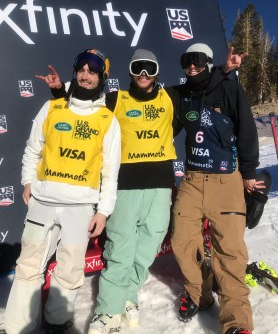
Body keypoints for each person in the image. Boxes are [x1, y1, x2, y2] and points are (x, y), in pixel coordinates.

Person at [41, 47, 243, 334]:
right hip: (126, 186)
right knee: (120, 248)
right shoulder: (116, 98)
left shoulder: (170, 96)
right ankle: (107, 311)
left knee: (148, 247)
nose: (144, 74)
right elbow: (84, 101)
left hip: (160, 187)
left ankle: (127, 297)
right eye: (138, 68)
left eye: (149, 68)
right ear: (131, 72)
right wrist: (61, 90)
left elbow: (200, 83)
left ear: (157, 71)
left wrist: (224, 71)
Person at [4, 49, 121, 334]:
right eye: (81, 69)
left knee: (69, 267)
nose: (86, 75)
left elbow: (110, 171)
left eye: (93, 72)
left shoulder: (108, 119)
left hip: (80, 207)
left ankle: (57, 320)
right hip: (43, 200)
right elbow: (33, 149)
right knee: (29, 262)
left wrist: (104, 211)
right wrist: (28, 181)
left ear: (102, 77)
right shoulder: (52, 107)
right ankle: (19, 326)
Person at [171, 43, 260, 334]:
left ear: (208, 63)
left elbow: (247, 131)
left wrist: (248, 173)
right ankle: (200, 292)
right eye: (187, 61)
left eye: (197, 61)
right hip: (193, 179)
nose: (191, 66)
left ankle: (236, 321)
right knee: (183, 242)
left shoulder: (230, 90)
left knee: (230, 251)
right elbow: (147, 95)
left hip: (227, 179)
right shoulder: (183, 94)